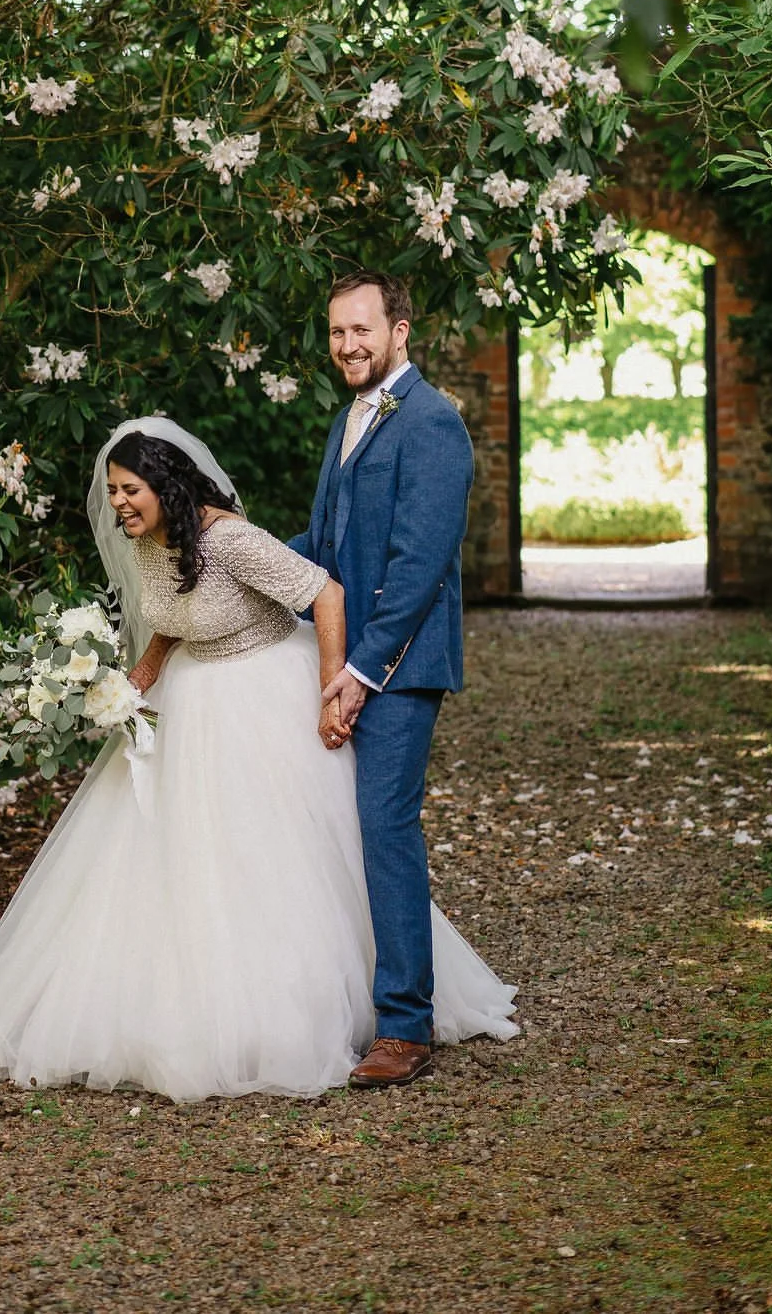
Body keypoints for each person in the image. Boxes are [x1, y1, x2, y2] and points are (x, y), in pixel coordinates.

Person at [0, 409, 515, 1103]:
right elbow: (172, 616)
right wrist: (142, 675)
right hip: (193, 693)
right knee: (166, 846)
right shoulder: (146, 544)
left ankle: (332, 1007)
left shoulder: (233, 541)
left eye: (131, 489)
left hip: (263, 687)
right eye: (114, 491)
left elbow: (325, 592)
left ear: (164, 484)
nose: (120, 504)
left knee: (271, 855)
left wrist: (331, 690)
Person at [292, 269, 473, 1089]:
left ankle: (406, 1026)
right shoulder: (351, 418)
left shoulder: (432, 424)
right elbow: (328, 540)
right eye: (336, 333)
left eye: (361, 330)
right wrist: (235, 555)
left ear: (401, 329)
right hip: (346, 655)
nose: (347, 345)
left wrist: (360, 671)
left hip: (398, 665)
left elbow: (417, 567)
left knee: (385, 827)